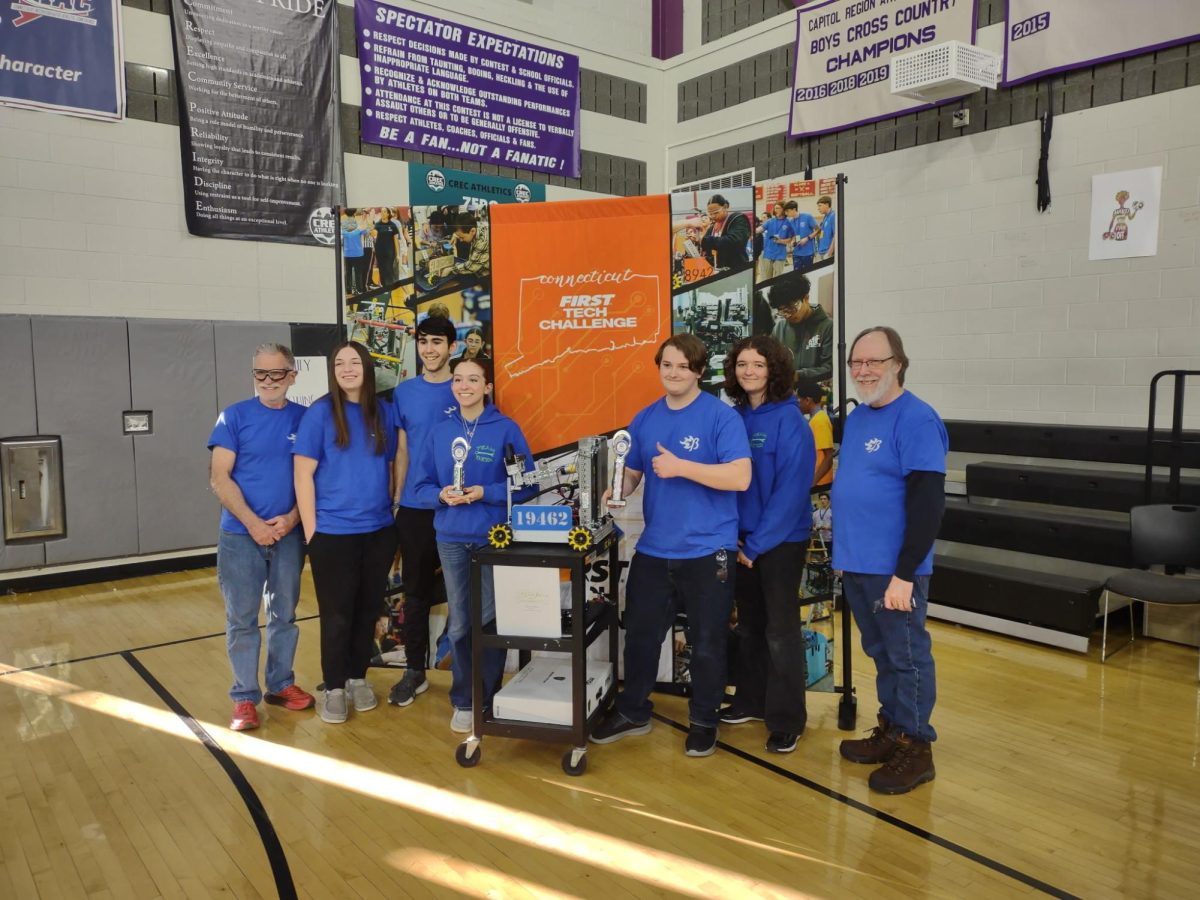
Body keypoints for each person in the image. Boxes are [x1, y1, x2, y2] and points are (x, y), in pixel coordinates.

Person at [590, 334, 751, 757]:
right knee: (640, 636)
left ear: (699, 371)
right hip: (656, 548)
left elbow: (739, 477)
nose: (674, 373)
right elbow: (634, 474)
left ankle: (703, 721)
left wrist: (682, 467)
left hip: (708, 550)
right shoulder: (645, 419)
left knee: (709, 641)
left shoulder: (721, 417)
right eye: (667, 365)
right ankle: (633, 711)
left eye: (683, 366)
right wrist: (615, 487)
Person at [833, 326, 948, 794]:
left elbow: (927, 506)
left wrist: (905, 574)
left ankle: (917, 748)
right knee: (879, 652)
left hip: (895, 570)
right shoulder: (858, 418)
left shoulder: (918, 420)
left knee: (907, 658)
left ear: (897, 363)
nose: (862, 371)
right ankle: (893, 729)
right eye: (856, 363)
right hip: (858, 563)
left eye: (873, 362)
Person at [411, 357, 534, 733]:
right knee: (462, 624)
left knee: (491, 622)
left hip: (493, 540)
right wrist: (442, 496)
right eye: (459, 380)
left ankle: (490, 695)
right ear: (453, 386)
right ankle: (464, 699)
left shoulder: (505, 429)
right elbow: (418, 488)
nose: (465, 385)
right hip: (451, 539)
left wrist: (486, 492)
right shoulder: (439, 432)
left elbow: (526, 483)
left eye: (473, 379)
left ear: (487, 387)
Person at [208, 344, 314, 732]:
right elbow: (220, 477)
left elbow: (314, 479)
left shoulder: (307, 419)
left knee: (284, 614)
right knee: (242, 619)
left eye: (276, 373)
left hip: (288, 535)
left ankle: (281, 684)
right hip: (240, 535)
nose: (267, 381)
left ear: (292, 375)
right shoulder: (233, 417)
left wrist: (291, 519)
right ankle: (244, 697)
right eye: (260, 374)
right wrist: (254, 523)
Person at [719, 336, 816, 754]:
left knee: (781, 631)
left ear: (774, 370)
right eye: (742, 364)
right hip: (741, 540)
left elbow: (791, 493)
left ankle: (787, 718)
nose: (749, 372)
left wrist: (756, 546)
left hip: (778, 543)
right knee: (750, 626)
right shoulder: (733, 418)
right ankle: (751, 701)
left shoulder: (790, 422)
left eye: (758, 364)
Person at [293, 341, 398, 725]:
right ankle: (334, 687)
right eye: (340, 363)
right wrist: (312, 531)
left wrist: (389, 511)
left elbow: (387, 469)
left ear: (367, 368)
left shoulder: (382, 413)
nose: (347, 368)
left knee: (367, 610)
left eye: (355, 362)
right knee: (336, 614)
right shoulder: (320, 414)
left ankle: (357, 678)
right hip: (333, 533)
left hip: (378, 531)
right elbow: (302, 474)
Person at [386, 316, 458, 708]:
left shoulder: (465, 387)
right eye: (424, 342)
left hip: (458, 507)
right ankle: (415, 671)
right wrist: (398, 500)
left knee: (465, 592)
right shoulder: (405, 393)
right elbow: (401, 449)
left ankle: (467, 672)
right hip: (415, 508)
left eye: (437, 342)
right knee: (414, 595)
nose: (429, 349)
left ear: (451, 346)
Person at [768, 273, 832, 384]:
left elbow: (830, 368)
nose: (787, 315)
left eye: (791, 308)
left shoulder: (827, 327)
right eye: (782, 311)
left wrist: (797, 375)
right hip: (784, 393)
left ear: (806, 298)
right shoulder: (779, 328)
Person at [796, 378, 833, 492]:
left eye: (799, 400)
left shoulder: (820, 421)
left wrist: (812, 483)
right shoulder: (813, 420)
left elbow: (828, 457)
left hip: (820, 484)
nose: (798, 404)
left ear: (808, 400)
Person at [698, 194, 751, 271]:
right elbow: (705, 245)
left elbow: (735, 241)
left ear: (725, 207)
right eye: (710, 213)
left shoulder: (737, 219)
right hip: (717, 270)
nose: (713, 216)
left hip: (736, 270)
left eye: (716, 213)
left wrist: (708, 241)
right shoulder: (712, 227)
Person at [755, 202, 793, 282]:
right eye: (775, 208)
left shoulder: (789, 222)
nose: (776, 210)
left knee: (777, 280)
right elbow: (759, 229)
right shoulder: (770, 221)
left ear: (783, 209)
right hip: (768, 253)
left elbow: (790, 239)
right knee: (766, 280)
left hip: (780, 254)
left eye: (778, 208)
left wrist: (781, 241)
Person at [783, 200, 819, 273]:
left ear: (794, 209)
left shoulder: (807, 217)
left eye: (788, 211)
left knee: (808, 274)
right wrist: (793, 241)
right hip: (796, 253)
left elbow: (818, 230)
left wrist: (807, 238)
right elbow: (795, 235)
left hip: (808, 252)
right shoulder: (791, 221)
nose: (786, 213)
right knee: (797, 277)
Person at [341, 209, 370, 296]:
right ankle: (359, 290)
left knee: (348, 273)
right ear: (354, 213)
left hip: (347, 253)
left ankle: (348, 291)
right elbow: (367, 233)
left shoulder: (343, 224)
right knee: (358, 273)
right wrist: (364, 224)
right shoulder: (358, 224)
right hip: (357, 253)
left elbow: (345, 234)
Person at [372, 207, 402, 288]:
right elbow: (373, 235)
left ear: (388, 214)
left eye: (385, 212)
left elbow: (396, 240)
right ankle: (384, 286)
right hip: (379, 251)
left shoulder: (393, 225)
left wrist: (398, 254)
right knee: (382, 269)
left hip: (390, 251)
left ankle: (389, 286)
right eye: (381, 212)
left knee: (388, 268)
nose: (382, 213)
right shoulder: (377, 225)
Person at [814, 195, 836, 262]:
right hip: (822, 252)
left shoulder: (833, 216)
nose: (818, 208)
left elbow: (836, 235)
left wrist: (829, 253)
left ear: (827, 204)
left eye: (820, 205)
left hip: (828, 253)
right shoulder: (825, 217)